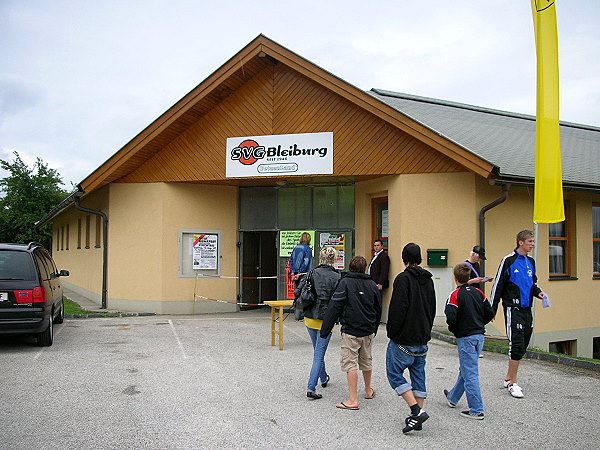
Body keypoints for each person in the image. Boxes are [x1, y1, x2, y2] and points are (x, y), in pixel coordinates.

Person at [385, 243, 436, 434]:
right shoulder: (428, 280)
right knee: (418, 375)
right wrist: (427, 329)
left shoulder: (403, 279)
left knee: (394, 373)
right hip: (422, 335)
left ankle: (416, 410)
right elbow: (432, 306)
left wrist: (392, 332)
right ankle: (418, 416)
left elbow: (398, 308)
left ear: (404, 258)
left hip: (404, 337)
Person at [490, 230, 547, 399]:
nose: (533, 244)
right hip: (512, 308)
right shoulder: (508, 261)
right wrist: (491, 310)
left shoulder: (531, 262)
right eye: (530, 241)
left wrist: (539, 293)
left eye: (533, 241)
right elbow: (497, 286)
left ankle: (509, 377)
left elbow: (532, 283)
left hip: (526, 309)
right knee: (516, 343)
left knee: (523, 345)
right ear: (521, 242)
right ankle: (513, 382)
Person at [320, 255, 382, 411]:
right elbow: (378, 309)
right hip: (368, 330)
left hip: (351, 330)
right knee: (366, 360)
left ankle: (353, 399)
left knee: (350, 363)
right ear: (365, 268)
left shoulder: (345, 283)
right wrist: (374, 328)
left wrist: (325, 330)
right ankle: (368, 390)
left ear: (350, 267)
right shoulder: (372, 285)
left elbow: (335, 306)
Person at [444, 263, 495, 419]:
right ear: (469, 278)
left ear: (455, 278)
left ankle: (476, 409)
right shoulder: (479, 293)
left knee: (470, 372)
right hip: (479, 336)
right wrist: (479, 324)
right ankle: (453, 397)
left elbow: (451, 317)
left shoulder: (454, 295)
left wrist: (456, 329)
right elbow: (490, 312)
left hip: (465, 337)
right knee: (466, 369)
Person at [295, 246, 341, 400]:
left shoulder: (312, 272)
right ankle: (311, 387)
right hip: (327, 320)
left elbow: (298, 291)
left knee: (317, 350)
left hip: (310, 317)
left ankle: (324, 377)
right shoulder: (337, 277)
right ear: (334, 259)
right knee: (319, 353)